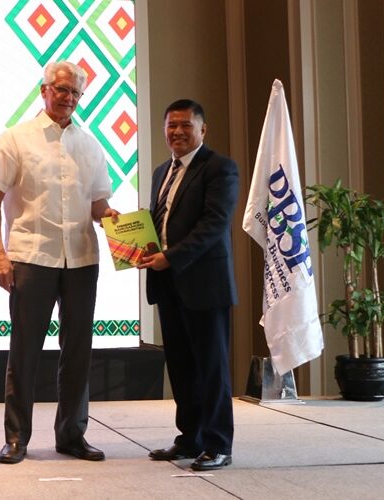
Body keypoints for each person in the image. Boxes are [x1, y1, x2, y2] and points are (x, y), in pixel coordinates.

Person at [0, 61, 118, 465]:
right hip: (30, 257)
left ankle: (72, 435)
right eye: (62, 90)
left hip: (81, 258)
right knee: (24, 351)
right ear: (43, 90)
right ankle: (16, 438)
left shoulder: (91, 145)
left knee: (78, 350)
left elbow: (98, 204)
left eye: (76, 93)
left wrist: (117, 221)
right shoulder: (16, 138)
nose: (69, 98)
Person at [139, 99, 238, 471]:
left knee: (210, 367)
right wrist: (134, 243)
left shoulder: (220, 168)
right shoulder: (162, 170)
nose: (177, 132)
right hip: (168, 284)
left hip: (205, 285)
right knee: (180, 366)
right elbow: (159, 223)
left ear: (202, 130)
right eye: (171, 126)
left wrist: (171, 256)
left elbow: (213, 225)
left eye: (185, 125)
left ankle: (218, 444)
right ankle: (190, 438)